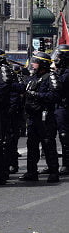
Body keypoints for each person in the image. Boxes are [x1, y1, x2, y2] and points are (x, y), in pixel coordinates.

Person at [19, 52, 61, 183]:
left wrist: (36, 95)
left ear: (42, 64)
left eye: (35, 62)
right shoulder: (33, 78)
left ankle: (54, 172)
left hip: (45, 117)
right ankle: (31, 172)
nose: (32, 64)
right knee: (31, 145)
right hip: (32, 117)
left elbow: (54, 96)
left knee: (48, 144)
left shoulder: (51, 77)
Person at [52, 45, 69, 175]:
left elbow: (59, 86)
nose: (56, 59)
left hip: (65, 106)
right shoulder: (61, 71)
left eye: (58, 57)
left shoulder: (66, 73)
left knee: (64, 135)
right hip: (58, 106)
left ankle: (66, 164)